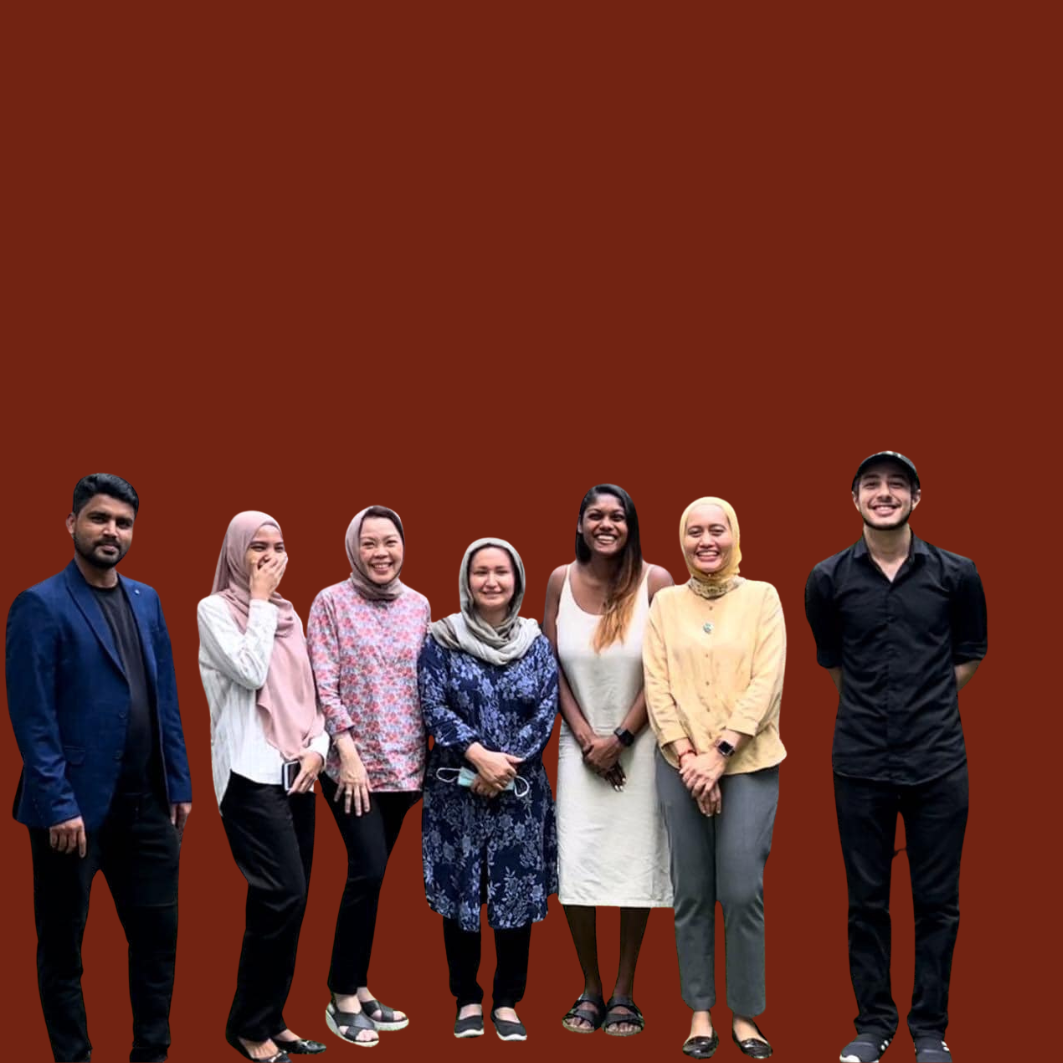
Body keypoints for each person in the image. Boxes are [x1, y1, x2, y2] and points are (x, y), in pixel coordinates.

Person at [804, 452, 987, 1063]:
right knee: (866, 902)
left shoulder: (957, 574)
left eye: (897, 485)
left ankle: (930, 1029)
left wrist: (922, 702)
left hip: (939, 761)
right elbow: (832, 663)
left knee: (938, 903)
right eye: (872, 486)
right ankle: (873, 1025)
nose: (885, 494)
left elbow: (970, 653)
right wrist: (874, 708)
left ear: (916, 498)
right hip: (859, 763)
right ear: (853, 498)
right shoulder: (827, 579)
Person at [5, 473, 192, 1063]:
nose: (112, 531)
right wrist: (58, 802)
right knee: (64, 951)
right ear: (72, 525)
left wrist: (179, 782)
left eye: (123, 522)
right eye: (99, 518)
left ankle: (151, 1055)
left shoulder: (147, 598)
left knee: (157, 945)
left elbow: (166, 698)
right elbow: (32, 716)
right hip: (72, 814)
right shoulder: (40, 604)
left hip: (147, 809)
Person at [643, 497, 785, 1061]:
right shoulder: (665, 603)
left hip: (747, 764)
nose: (707, 541)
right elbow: (656, 683)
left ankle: (745, 1015)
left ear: (734, 535)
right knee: (693, 891)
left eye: (717, 530)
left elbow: (767, 681)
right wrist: (687, 756)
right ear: (682, 540)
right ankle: (700, 1011)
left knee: (742, 890)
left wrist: (720, 754)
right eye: (695, 531)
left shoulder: (762, 598)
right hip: (679, 764)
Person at [198, 511, 330, 1062]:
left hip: (297, 777)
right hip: (249, 781)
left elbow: (310, 696)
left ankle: (272, 1018)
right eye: (256, 547)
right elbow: (251, 672)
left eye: (277, 546)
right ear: (235, 553)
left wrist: (320, 749)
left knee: (288, 907)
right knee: (283, 896)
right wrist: (257, 597)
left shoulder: (288, 616)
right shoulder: (215, 610)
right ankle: (247, 1026)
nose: (269, 557)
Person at [542, 484, 673, 1037]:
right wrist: (584, 736)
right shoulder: (557, 581)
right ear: (579, 524)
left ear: (631, 524)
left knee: (634, 863)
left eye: (617, 516)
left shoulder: (657, 582)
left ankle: (624, 990)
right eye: (595, 515)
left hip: (639, 747)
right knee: (578, 865)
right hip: (577, 747)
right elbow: (549, 664)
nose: (606, 524)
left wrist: (619, 737)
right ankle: (589, 987)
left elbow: (663, 669)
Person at [418, 538, 558, 1043]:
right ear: (466, 580)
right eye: (481, 572)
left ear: (517, 580)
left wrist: (503, 767)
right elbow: (433, 704)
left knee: (515, 895)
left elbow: (546, 709)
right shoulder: (442, 639)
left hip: (518, 793)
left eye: (502, 572)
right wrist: (477, 755)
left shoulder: (536, 642)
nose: (491, 581)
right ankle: (467, 998)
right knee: (461, 896)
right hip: (457, 791)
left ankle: (506, 1000)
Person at [306, 506, 431, 1048]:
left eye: (390, 542)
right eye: (370, 543)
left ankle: (358, 983)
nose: (381, 553)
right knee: (367, 871)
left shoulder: (420, 605)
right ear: (353, 549)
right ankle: (339, 995)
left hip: (407, 766)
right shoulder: (331, 602)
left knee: (374, 882)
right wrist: (347, 750)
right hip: (352, 768)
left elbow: (425, 680)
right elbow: (323, 682)